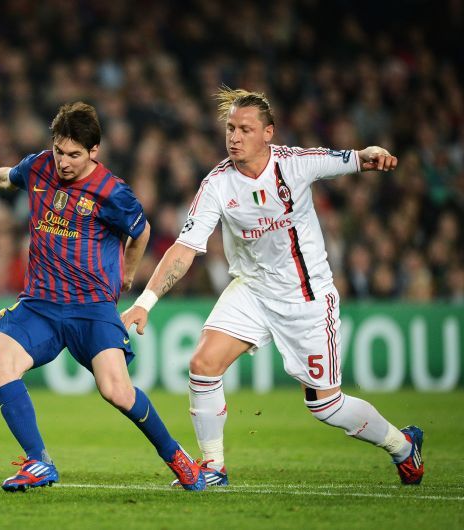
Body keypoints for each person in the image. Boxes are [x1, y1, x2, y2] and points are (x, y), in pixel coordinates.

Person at [122, 87, 424, 488]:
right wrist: (146, 301)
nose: (234, 137)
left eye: (245, 129)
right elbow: (185, 247)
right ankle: (213, 467)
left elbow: (353, 158)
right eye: (230, 128)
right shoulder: (217, 185)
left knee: (326, 406)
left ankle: (402, 445)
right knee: (202, 365)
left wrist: (370, 155)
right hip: (252, 289)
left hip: (307, 296)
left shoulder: (296, 164)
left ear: (268, 133)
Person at [0, 101, 206, 492]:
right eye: (59, 150)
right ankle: (39, 462)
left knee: (116, 390)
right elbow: (13, 177)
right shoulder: (40, 166)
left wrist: (127, 272)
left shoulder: (113, 192)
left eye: (74, 154)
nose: (64, 162)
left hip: (91, 307)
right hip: (40, 303)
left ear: (94, 151)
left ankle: (178, 457)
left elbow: (140, 232)